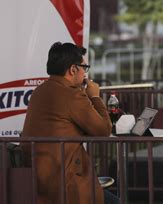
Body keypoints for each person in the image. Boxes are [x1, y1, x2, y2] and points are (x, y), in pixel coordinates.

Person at [21, 42, 119, 204]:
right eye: (84, 67)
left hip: (40, 181)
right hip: (65, 182)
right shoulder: (71, 95)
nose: (85, 73)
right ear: (73, 69)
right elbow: (103, 130)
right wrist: (94, 96)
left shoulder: (40, 90)